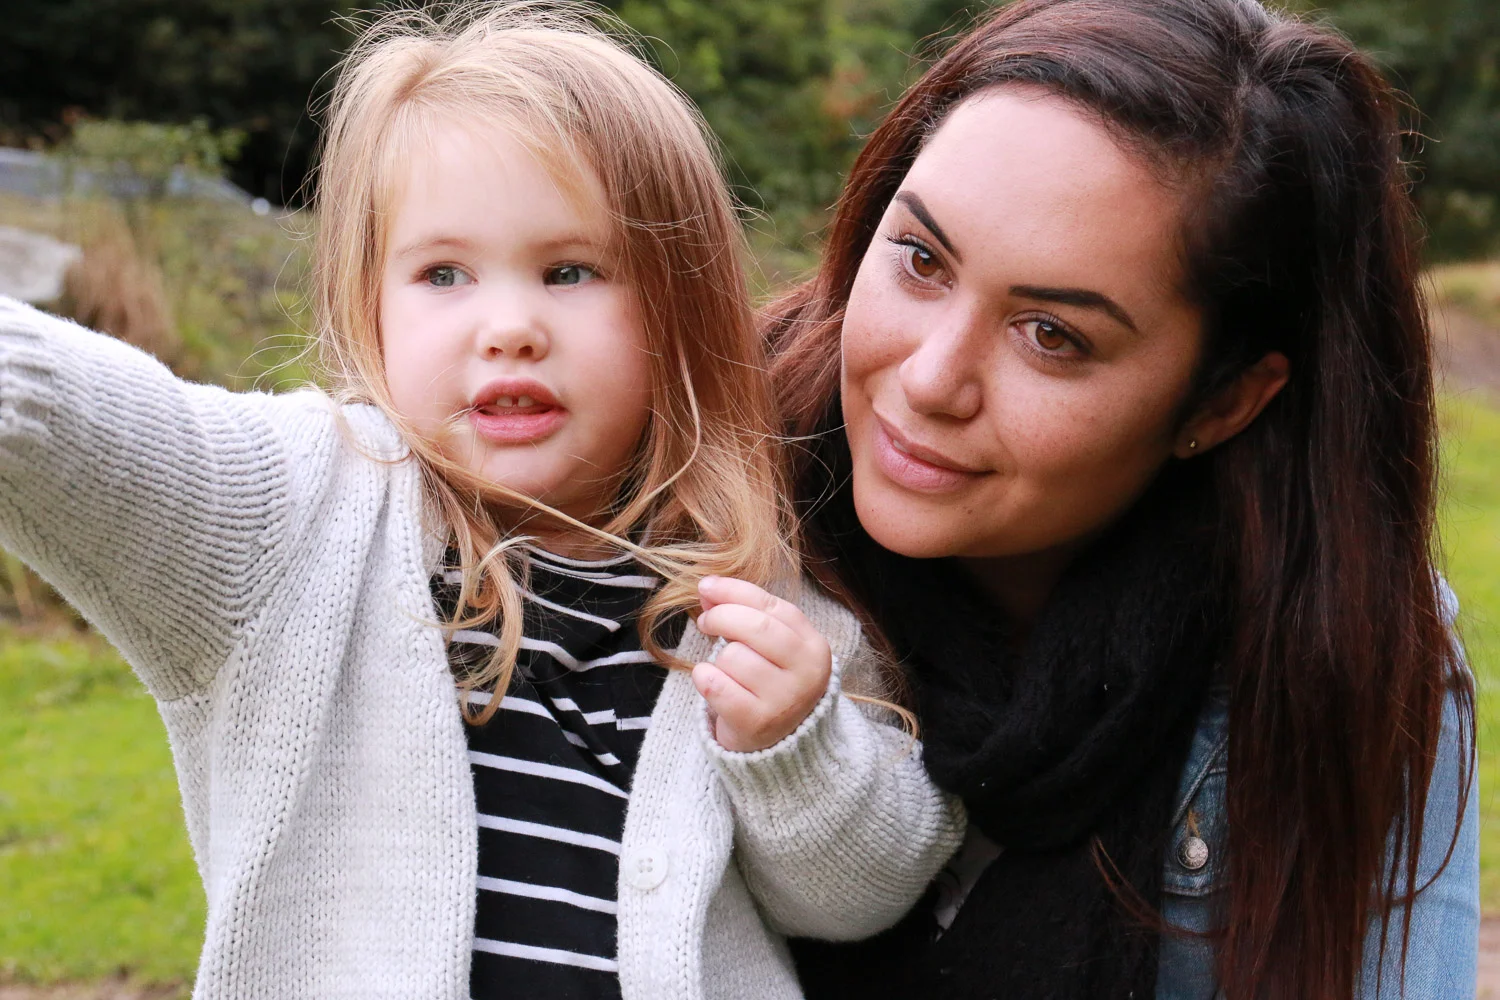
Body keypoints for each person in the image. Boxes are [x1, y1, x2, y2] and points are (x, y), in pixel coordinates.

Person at [0, 6, 963, 999]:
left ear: (679, 309)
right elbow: (78, 425)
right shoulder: (298, 515)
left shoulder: (758, 600)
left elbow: (861, 896)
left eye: (570, 270)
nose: (509, 326)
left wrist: (795, 745)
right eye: (443, 273)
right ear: (369, 301)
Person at [766, 0, 1478, 997]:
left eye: (1052, 335)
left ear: (1224, 401)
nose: (931, 380)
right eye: (922, 261)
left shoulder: (1340, 649)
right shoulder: (677, 516)